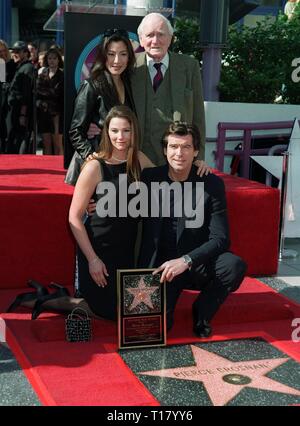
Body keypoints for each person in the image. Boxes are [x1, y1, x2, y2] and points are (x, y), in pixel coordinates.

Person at [7, 105, 153, 320]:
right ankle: (41, 300)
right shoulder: (94, 166)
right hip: (97, 249)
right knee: (107, 312)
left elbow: (166, 179)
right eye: (114, 131)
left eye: (126, 131)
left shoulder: (139, 160)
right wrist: (92, 259)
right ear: (106, 132)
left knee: (123, 310)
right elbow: (74, 217)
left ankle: (59, 295)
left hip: (126, 251)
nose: (120, 137)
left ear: (134, 132)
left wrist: (195, 162)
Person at [138, 121, 247, 337]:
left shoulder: (210, 183)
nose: (179, 153)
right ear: (165, 150)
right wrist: (95, 204)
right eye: (174, 147)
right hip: (162, 269)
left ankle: (202, 312)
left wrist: (186, 260)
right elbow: (121, 205)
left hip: (195, 264)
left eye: (186, 147)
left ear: (196, 151)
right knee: (157, 330)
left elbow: (221, 239)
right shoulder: (150, 178)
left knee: (233, 265)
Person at [131, 13, 206, 166]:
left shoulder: (189, 66)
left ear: (171, 38)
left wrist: (198, 157)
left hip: (178, 159)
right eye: (150, 35)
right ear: (141, 40)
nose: (155, 41)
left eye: (161, 34)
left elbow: (198, 116)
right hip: (139, 158)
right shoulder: (130, 66)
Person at [65, 28, 136, 185]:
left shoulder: (130, 84)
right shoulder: (92, 85)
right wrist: (91, 157)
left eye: (123, 54)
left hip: (122, 160)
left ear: (129, 56)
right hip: (99, 161)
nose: (117, 60)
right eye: (111, 54)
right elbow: (76, 130)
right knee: (94, 208)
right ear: (103, 55)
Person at [6, 41, 34, 154]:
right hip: (14, 110)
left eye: (18, 51)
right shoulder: (19, 66)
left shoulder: (28, 68)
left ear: (26, 53)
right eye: (13, 51)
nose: (14, 54)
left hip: (20, 111)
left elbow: (26, 94)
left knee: (21, 138)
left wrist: (23, 114)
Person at [36, 47, 64, 155]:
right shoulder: (42, 74)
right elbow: (37, 91)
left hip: (57, 113)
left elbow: (58, 93)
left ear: (58, 60)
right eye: (49, 58)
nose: (51, 61)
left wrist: (47, 92)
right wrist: (50, 93)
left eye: (54, 58)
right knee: (46, 143)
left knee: (57, 144)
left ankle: (60, 169)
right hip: (44, 112)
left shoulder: (62, 75)